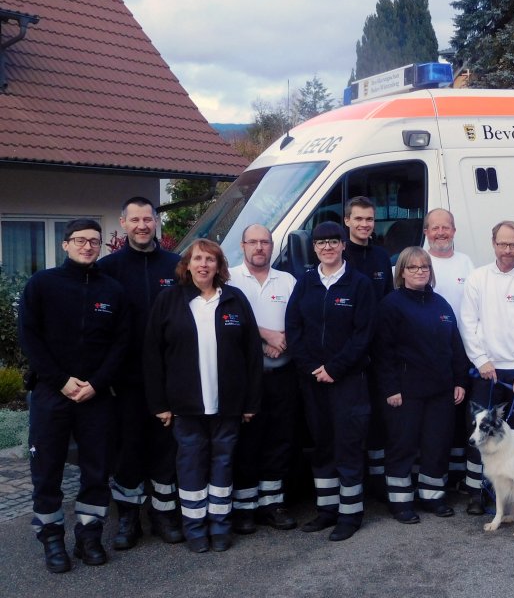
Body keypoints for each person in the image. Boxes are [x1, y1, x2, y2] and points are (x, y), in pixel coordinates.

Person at [19, 219, 129, 572]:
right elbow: (29, 338)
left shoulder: (112, 290)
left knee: (96, 470)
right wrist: (61, 381)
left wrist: (96, 383)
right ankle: (52, 539)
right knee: (46, 470)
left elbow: (121, 344)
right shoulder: (42, 284)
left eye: (94, 241)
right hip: (52, 392)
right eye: (80, 240)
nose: (87, 246)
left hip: (96, 395)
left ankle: (89, 536)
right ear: (65, 244)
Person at [143, 239, 263, 554]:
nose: (204, 265)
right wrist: (159, 404)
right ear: (187, 265)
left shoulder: (235, 299)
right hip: (185, 406)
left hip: (228, 405)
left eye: (210, 259)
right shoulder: (169, 300)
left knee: (223, 463)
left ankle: (220, 526)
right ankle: (195, 528)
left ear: (219, 266)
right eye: (198, 259)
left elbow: (252, 354)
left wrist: (251, 402)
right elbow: (152, 356)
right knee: (191, 465)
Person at [96, 197, 184, 549]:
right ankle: (128, 519)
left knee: (166, 450)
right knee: (127, 450)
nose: (142, 226)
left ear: (155, 223)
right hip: (126, 380)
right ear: (123, 223)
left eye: (148, 219)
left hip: (168, 378)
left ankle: (164, 515)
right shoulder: (108, 268)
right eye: (135, 220)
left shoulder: (176, 266)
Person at [285, 221, 376, 541]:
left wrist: (335, 368)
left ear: (343, 245)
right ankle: (326, 510)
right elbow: (293, 327)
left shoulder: (359, 284)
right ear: (314, 248)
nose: (327, 247)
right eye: (321, 242)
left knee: (348, 446)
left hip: (347, 380)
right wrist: (311, 367)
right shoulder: (305, 282)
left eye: (333, 241)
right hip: (313, 380)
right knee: (322, 445)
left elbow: (363, 334)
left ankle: (350, 515)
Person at [459, 220, 514, 515]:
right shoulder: (478, 278)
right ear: (493, 244)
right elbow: (468, 322)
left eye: (513, 244)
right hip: (488, 372)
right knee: (479, 434)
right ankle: (477, 493)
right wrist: (481, 360)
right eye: (502, 244)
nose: (507, 250)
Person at [376, 247, 469, 523]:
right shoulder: (391, 305)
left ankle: (432, 497)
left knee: (436, 445)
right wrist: (390, 388)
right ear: (402, 272)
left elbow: (455, 346)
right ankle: (400, 502)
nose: (420, 272)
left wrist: (460, 380)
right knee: (402, 446)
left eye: (424, 267)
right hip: (406, 392)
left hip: (440, 390)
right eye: (413, 267)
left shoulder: (441, 304)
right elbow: (383, 352)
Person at [227, 225, 300, 534]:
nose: (259, 247)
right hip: (245, 377)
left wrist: (282, 339)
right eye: (253, 242)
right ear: (242, 245)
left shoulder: (288, 280)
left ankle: (272, 504)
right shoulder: (228, 279)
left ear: (272, 246)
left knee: (279, 439)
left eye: (265, 242)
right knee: (247, 441)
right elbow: (225, 322)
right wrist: (265, 334)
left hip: (282, 375)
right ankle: (244, 508)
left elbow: (300, 320)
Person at [342, 196, 393, 500]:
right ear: (347, 220)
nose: (364, 224)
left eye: (369, 219)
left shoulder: (381, 257)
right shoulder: (339, 254)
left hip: (377, 351)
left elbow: (387, 302)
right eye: (358, 219)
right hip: (348, 352)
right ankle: (355, 479)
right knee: (351, 419)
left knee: (378, 419)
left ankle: (378, 483)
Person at [423, 208, 475, 487]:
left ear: (454, 230)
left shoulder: (466, 263)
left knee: (460, 414)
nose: (441, 233)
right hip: (428, 354)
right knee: (435, 420)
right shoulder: (418, 261)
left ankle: (458, 476)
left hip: (462, 351)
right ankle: (435, 475)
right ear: (426, 232)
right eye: (435, 227)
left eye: (446, 227)